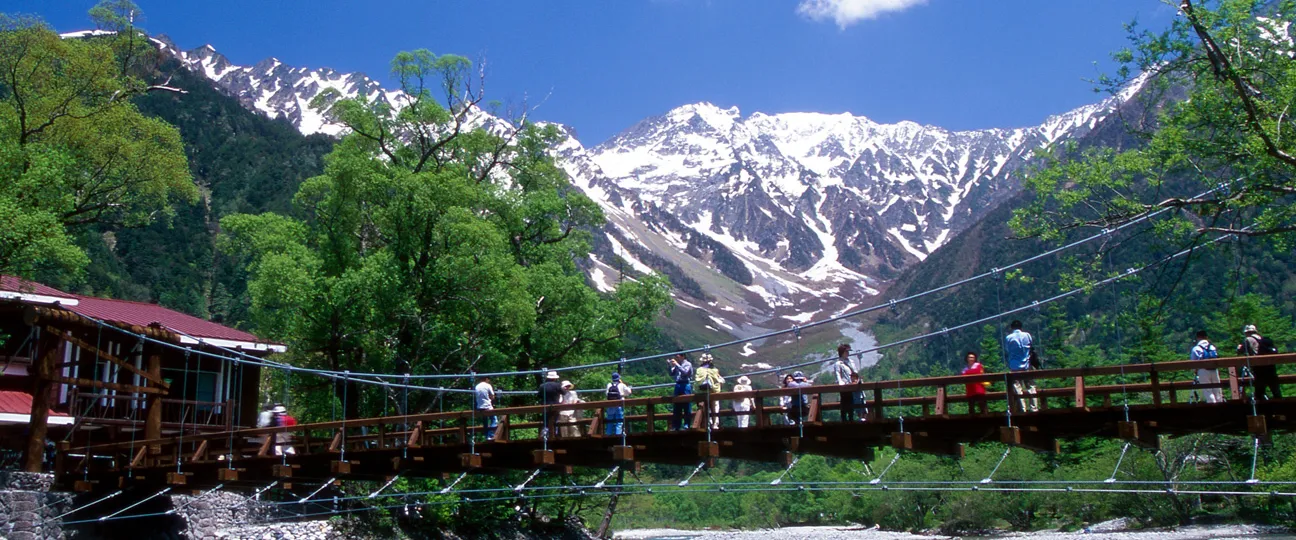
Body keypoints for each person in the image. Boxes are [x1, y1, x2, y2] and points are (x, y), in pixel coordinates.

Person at [1238, 324, 1281, 401]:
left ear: (1247, 332)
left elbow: (1241, 351)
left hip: (1259, 368)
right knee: (1275, 391)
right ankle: (1281, 408)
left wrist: (1239, 348)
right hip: (1270, 367)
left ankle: (1264, 411)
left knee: (1259, 392)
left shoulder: (1248, 339)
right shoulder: (1261, 338)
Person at [1004, 320, 1038, 413]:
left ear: (1012, 328)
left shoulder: (1008, 338)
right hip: (1027, 365)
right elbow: (1031, 346)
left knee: (1018, 388)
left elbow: (1007, 350)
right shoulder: (1027, 335)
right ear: (1021, 327)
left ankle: (1022, 409)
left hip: (1015, 366)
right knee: (1031, 386)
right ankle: (1034, 408)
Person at [694, 354, 725, 429]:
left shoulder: (699, 370)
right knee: (715, 407)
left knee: (705, 408)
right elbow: (718, 381)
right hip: (713, 392)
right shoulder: (714, 370)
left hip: (702, 392)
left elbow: (696, 382)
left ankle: (708, 423)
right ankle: (715, 424)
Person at [1191, 330, 1223, 404]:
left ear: (1197, 337)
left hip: (1203, 371)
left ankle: (1212, 408)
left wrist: (1195, 371)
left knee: (1208, 390)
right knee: (1217, 390)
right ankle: (1221, 407)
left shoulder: (1196, 348)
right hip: (1214, 370)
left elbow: (1193, 363)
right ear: (1206, 337)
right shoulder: (1212, 347)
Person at [668, 353, 694, 430]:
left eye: (678, 357)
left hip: (685, 385)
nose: (676, 358)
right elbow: (671, 373)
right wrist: (669, 365)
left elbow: (685, 372)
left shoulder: (688, 364)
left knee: (687, 405)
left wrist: (677, 365)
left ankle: (687, 425)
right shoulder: (677, 364)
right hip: (678, 385)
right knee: (677, 406)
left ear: (683, 356)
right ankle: (676, 426)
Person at [833, 343, 858, 422]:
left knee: (852, 401)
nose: (848, 353)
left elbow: (855, 372)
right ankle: (844, 419)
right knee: (844, 401)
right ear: (842, 352)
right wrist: (840, 383)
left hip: (852, 384)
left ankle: (851, 417)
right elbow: (838, 374)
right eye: (846, 351)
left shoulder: (851, 362)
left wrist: (856, 380)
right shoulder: (838, 363)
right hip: (844, 385)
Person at [538, 371, 564, 439]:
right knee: (555, 421)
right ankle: (554, 435)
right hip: (555, 406)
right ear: (555, 378)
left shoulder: (542, 386)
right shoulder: (557, 385)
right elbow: (563, 393)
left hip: (545, 407)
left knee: (545, 421)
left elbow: (539, 396)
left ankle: (545, 436)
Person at [474, 376, 497, 440]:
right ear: (486, 379)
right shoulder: (488, 385)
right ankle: (491, 435)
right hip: (487, 406)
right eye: (488, 379)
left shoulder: (477, 386)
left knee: (485, 422)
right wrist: (490, 399)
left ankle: (487, 436)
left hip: (479, 407)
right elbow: (492, 396)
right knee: (494, 420)